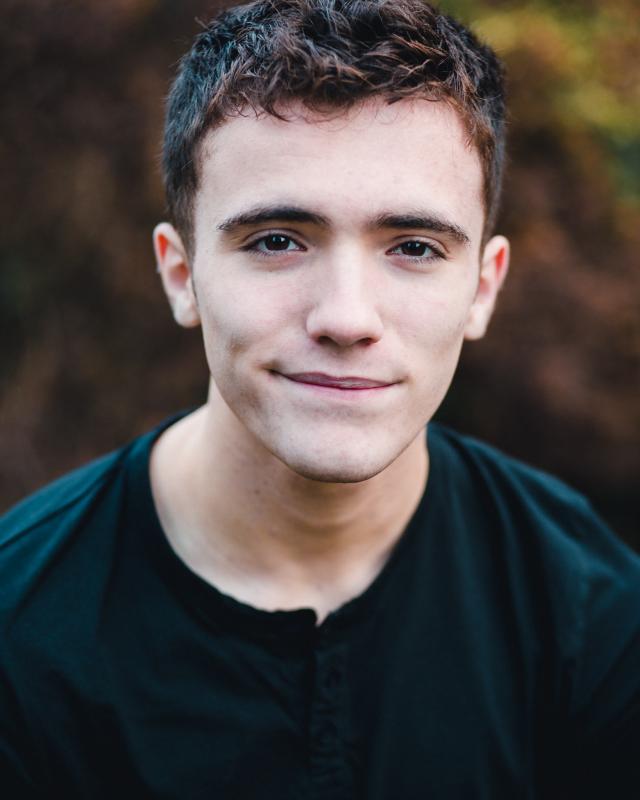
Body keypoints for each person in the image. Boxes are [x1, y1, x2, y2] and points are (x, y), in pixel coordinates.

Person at [1, 0, 638, 797]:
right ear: (181, 275)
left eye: (414, 247)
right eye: (277, 241)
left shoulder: (589, 613)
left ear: (483, 287)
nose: (345, 317)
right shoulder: (20, 633)